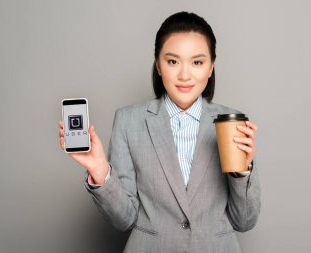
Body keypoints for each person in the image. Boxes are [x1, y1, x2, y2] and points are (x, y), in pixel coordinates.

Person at [59, 11, 260, 253]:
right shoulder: (128, 120)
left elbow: (245, 221)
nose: (184, 75)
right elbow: (124, 219)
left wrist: (241, 174)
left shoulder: (232, 122)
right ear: (158, 65)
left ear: (210, 68)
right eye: (173, 61)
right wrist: (101, 172)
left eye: (197, 62)